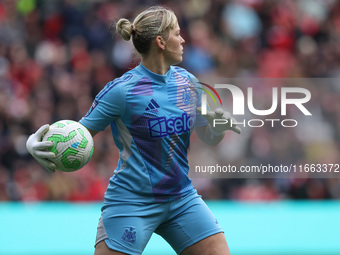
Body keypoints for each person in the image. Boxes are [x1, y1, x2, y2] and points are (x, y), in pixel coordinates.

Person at [26, 6, 240, 255]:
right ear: (160, 41)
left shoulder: (189, 83)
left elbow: (209, 137)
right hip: (131, 202)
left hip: (182, 198)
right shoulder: (121, 91)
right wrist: (35, 143)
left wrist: (216, 128)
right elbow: (77, 135)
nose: (183, 40)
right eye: (177, 34)